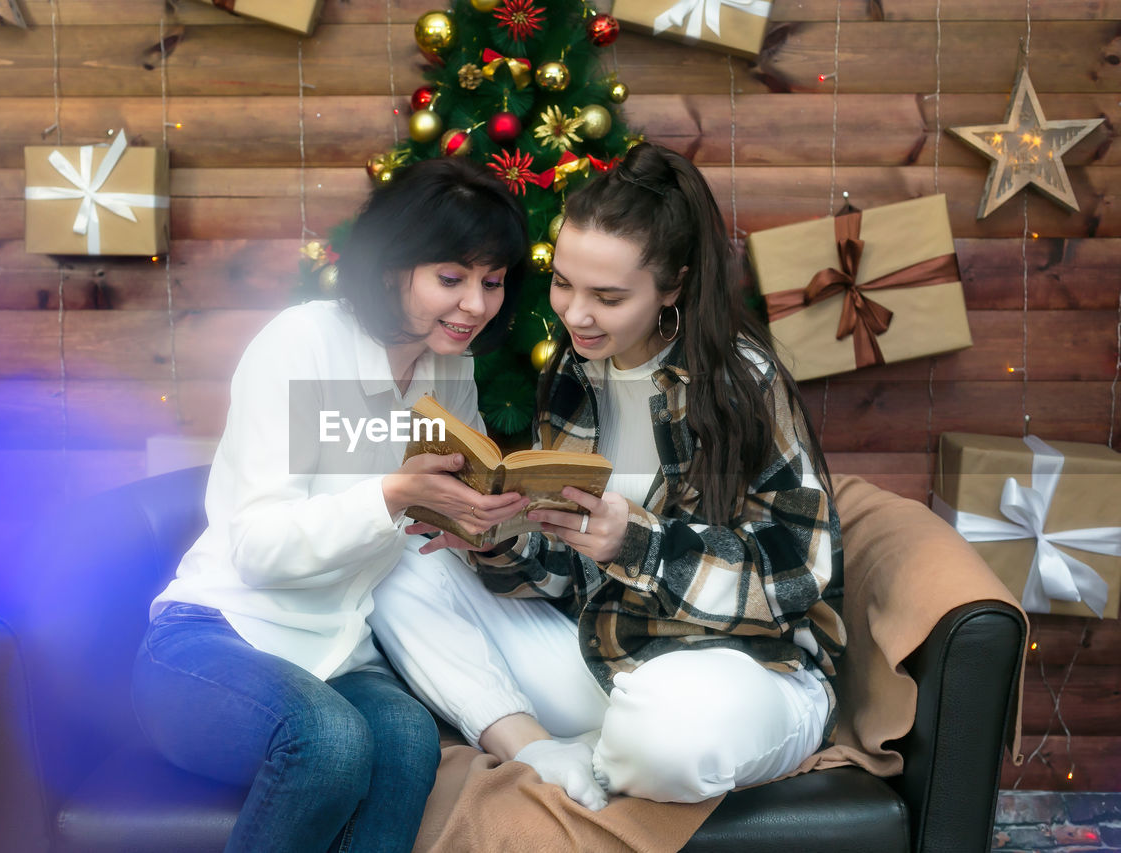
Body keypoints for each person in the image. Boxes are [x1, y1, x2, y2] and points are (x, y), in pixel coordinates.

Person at [369, 143, 847, 811]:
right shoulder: (574, 373)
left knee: (665, 731)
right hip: (603, 654)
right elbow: (569, 572)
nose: (575, 314)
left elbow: (800, 575)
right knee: (396, 559)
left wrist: (638, 544)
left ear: (673, 285)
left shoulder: (742, 384)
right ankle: (544, 748)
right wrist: (499, 540)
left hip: (745, 672)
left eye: (609, 295)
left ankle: (616, 744)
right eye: (563, 282)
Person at [131, 157, 531, 853]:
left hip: (338, 654)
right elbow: (257, 545)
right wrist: (392, 493)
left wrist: (468, 524)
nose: (475, 304)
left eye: (491, 282)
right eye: (451, 277)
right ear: (388, 268)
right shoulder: (302, 342)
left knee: (409, 740)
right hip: (211, 640)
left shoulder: (449, 366)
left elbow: (424, 517)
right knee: (332, 740)